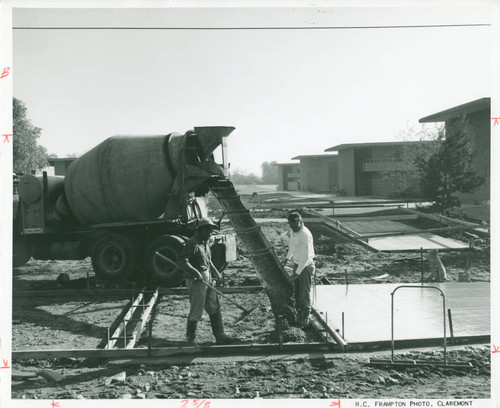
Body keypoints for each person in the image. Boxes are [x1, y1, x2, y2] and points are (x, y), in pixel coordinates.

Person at [178, 218, 239, 346]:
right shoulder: (192, 243)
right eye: (209, 231)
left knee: (213, 305)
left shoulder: (205, 242)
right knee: (197, 309)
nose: (211, 234)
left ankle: (220, 335)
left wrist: (216, 272)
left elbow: (208, 260)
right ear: (201, 230)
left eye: (212, 232)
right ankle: (190, 340)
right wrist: (195, 272)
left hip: (207, 276)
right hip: (196, 280)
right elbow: (182, 261)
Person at [282, 212, 315, 328]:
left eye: (296, 224)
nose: (294, 227)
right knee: (297, 293)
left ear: (300, 222)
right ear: (290, 223)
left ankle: (304, 320)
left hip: (305, 266)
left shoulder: (305, 235)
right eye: (292, 225)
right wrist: (287, 258)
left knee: (304, 294)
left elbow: (305, 257)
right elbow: (292, 246)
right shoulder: (293, 231)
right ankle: (298, 317)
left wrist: (296, 273)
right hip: (297, 264)